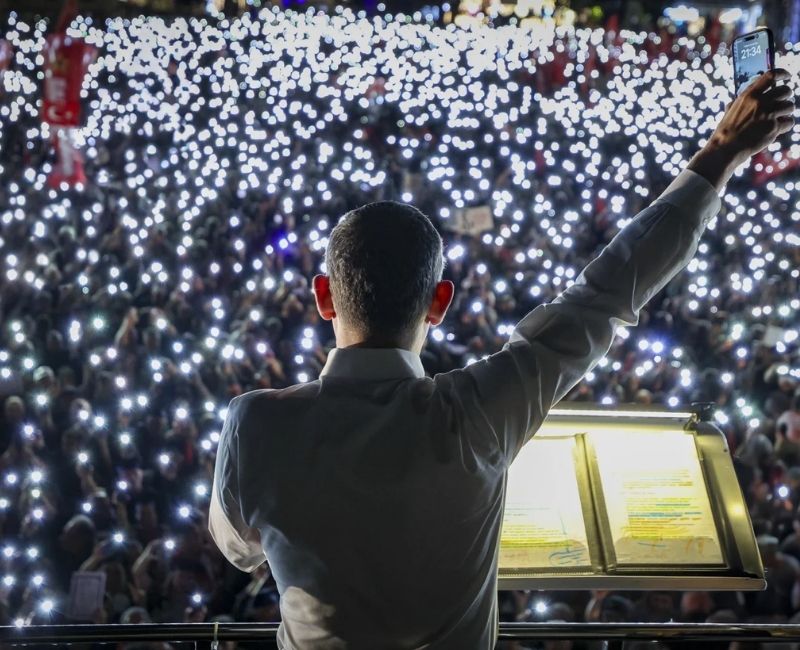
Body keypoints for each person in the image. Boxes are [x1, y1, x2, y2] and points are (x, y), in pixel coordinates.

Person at [209, 68, 795, 648]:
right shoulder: (478, 414)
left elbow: (239, 550)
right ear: (440, 303)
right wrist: (721, 153)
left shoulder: (256, 424)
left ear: (322, 297)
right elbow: (606, 294)